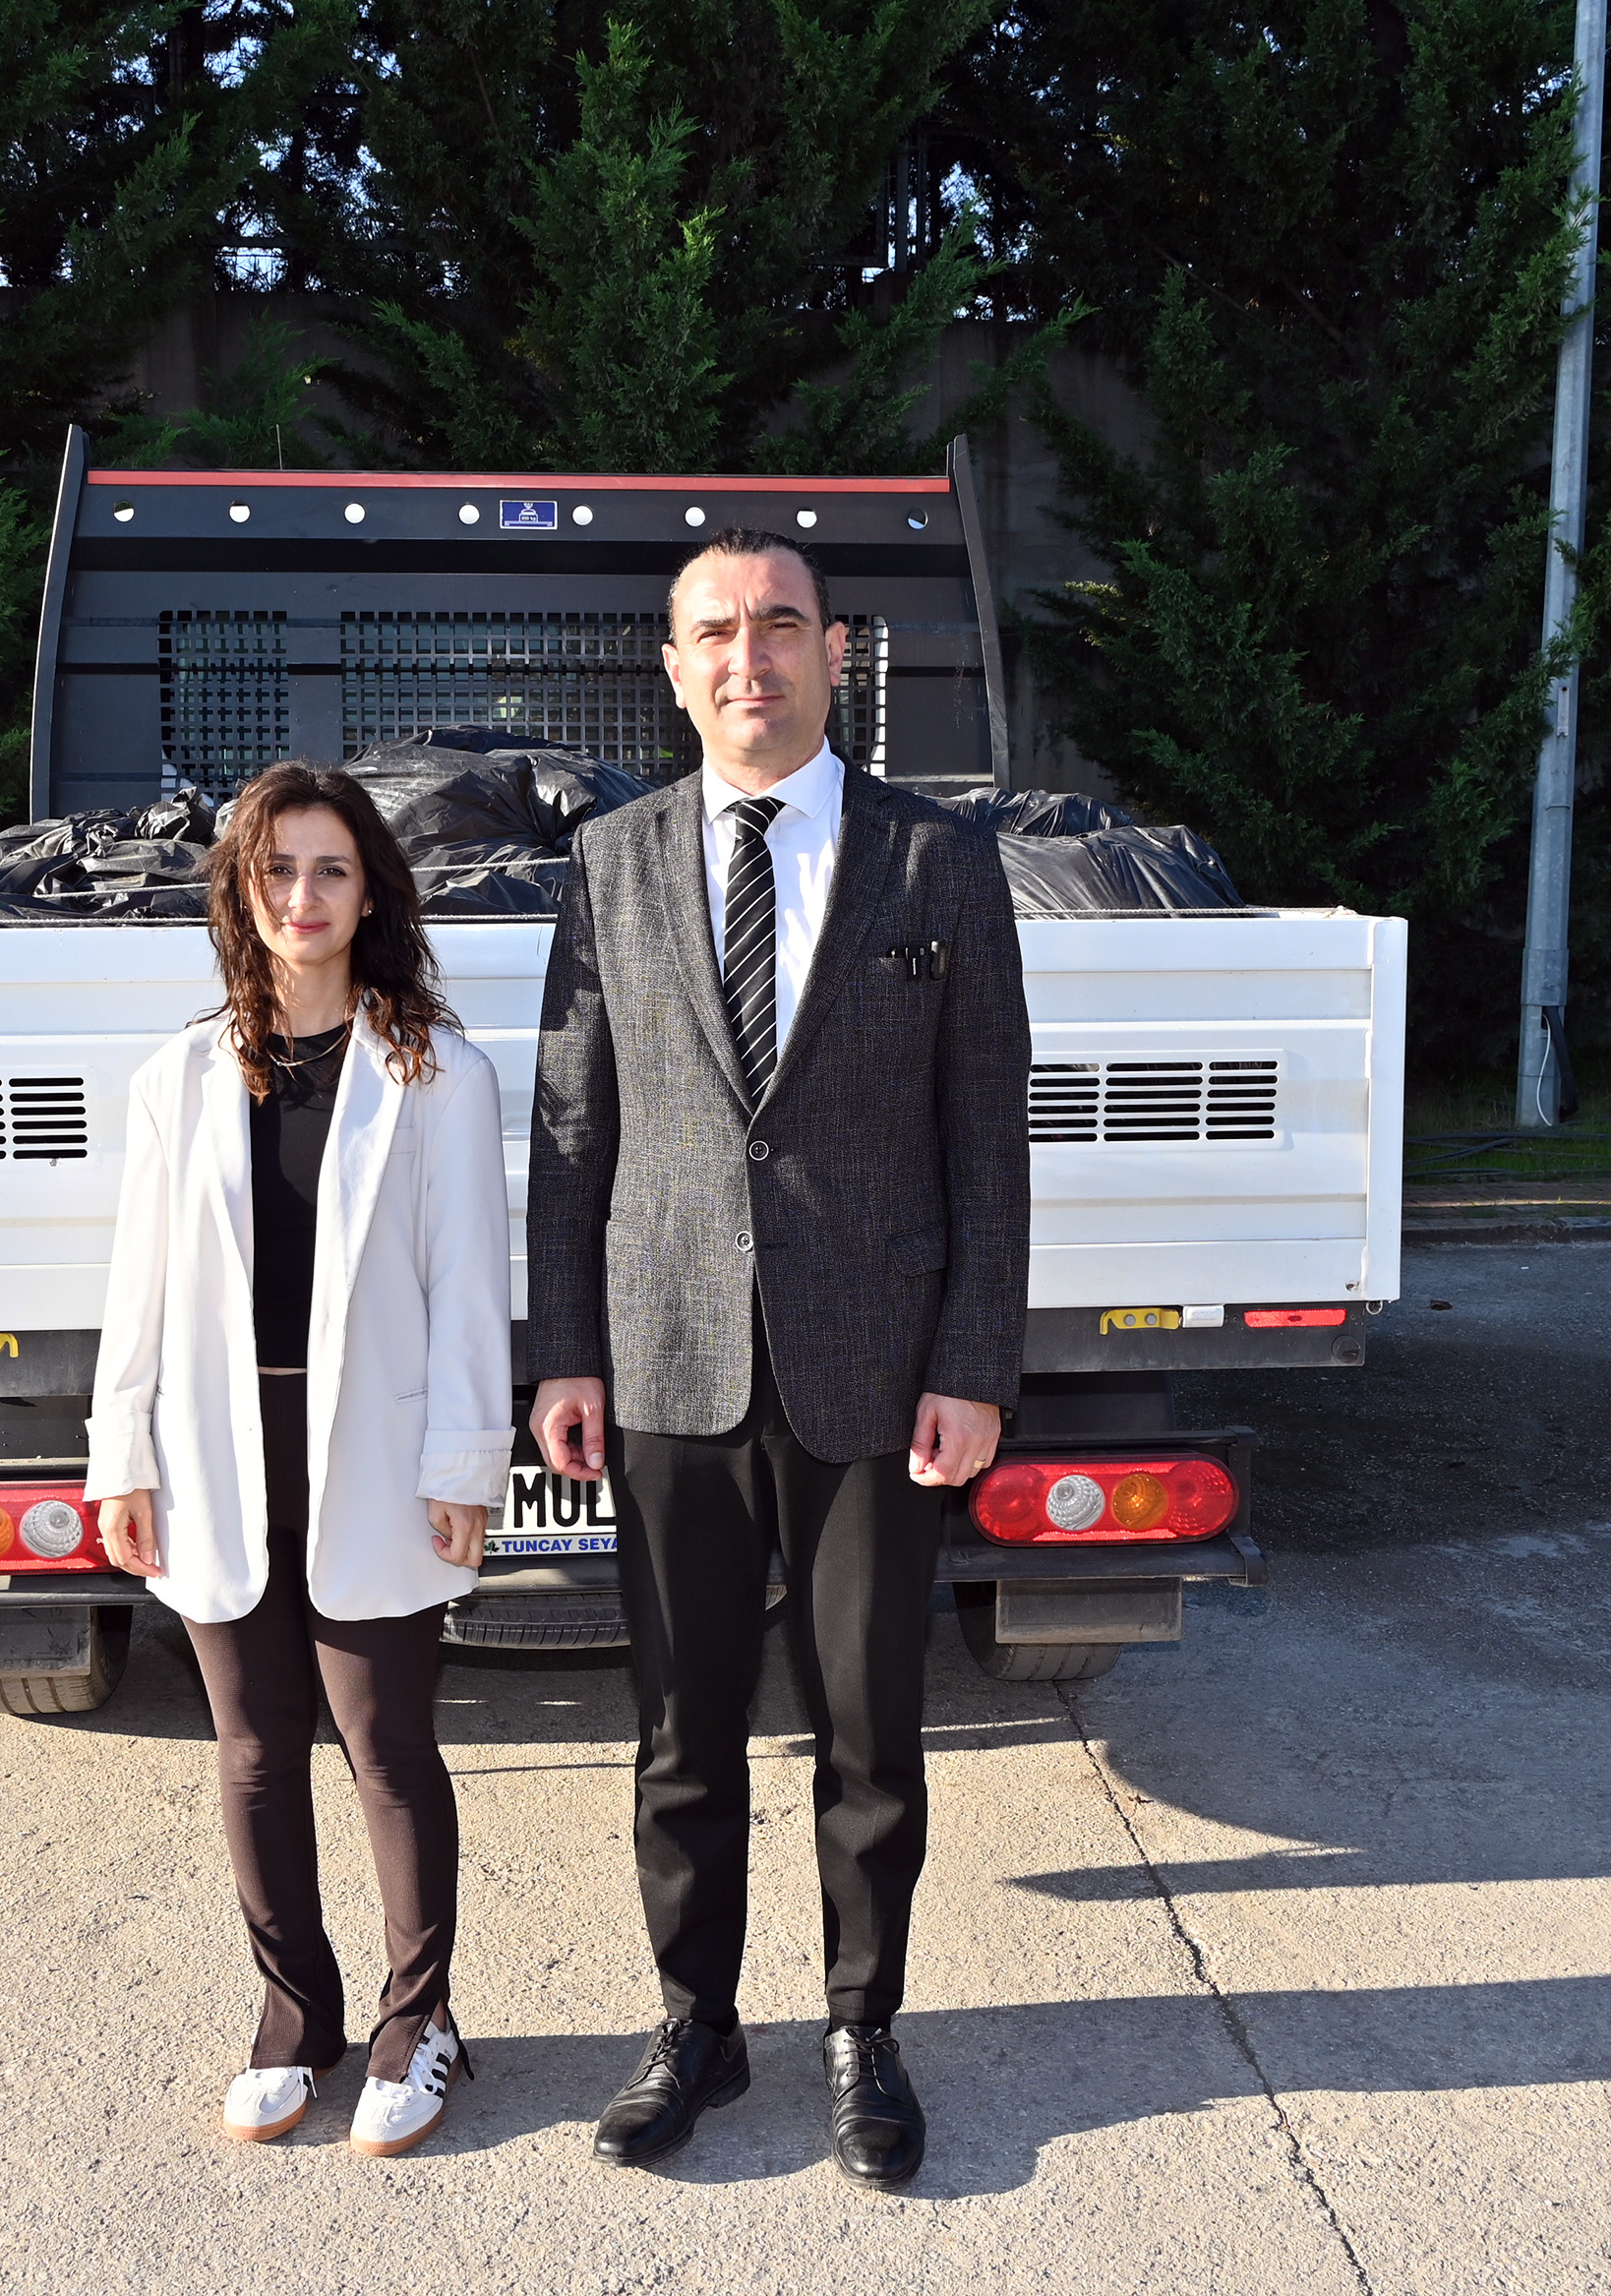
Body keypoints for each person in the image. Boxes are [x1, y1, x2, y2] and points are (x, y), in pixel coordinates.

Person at [527, 531, 1030, 2188]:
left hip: (875, 1370)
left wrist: (973, 1359)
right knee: (681, 1728)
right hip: (669, 1363)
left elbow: (988, 1135)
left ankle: (862, 2026)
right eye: (718, 631)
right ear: (674, 669)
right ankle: (697, 2022)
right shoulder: (610, 861)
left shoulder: (937, 860)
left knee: (869, 1728)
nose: (752, 656)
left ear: (835, 652)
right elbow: (573, 1128)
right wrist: (567, 1350)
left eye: (783, 625)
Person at [84, 762, 515, 2157]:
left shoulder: (440, 1075)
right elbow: (139, 1285)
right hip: (219, 1445)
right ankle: (296, 2014)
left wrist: (464, 1460)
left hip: (376, 1447)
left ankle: (416, 2020)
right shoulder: (178, 1077)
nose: (304, 896)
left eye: (332, 868)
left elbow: (469, 1286)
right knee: (257, 1749)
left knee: (386, 1744)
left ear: (372, 890)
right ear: (241, 892)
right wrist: (121, 1455)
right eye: (277, 869)